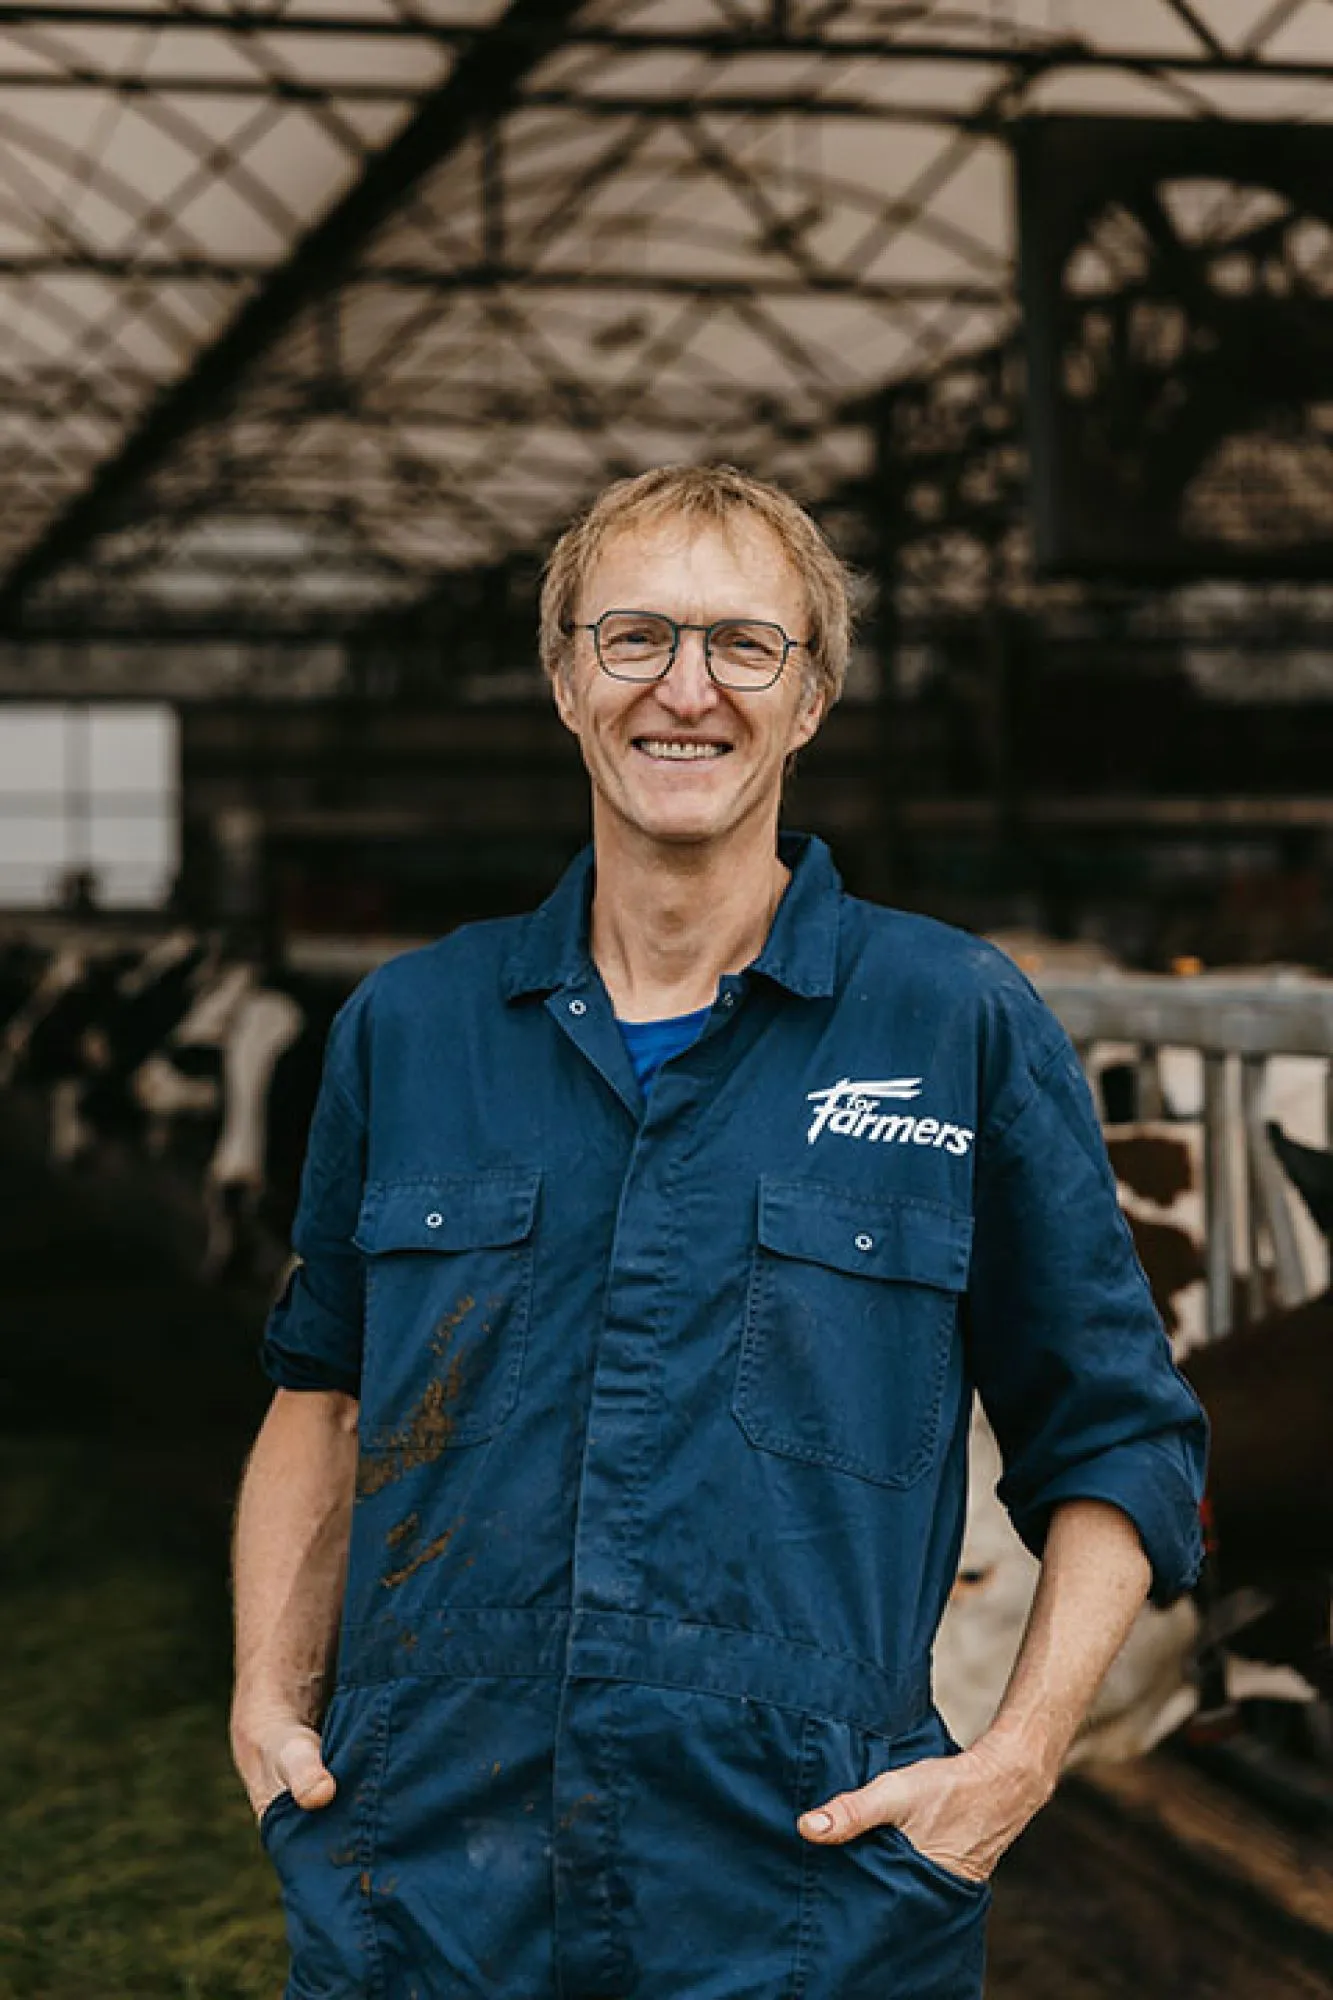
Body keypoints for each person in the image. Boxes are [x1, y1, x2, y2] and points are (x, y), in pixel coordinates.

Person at [230, 464, 1207, 2000]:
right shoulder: (410, 1027)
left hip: (811, 1904)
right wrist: (266, 1705)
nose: (686, 690)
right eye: (634, 639)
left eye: (745, 646)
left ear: (811, 699)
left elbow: (1123, 1438)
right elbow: (325, 1396)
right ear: (564, 679)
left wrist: (1011, 1768)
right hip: (422, 1890)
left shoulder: (953, 1020)